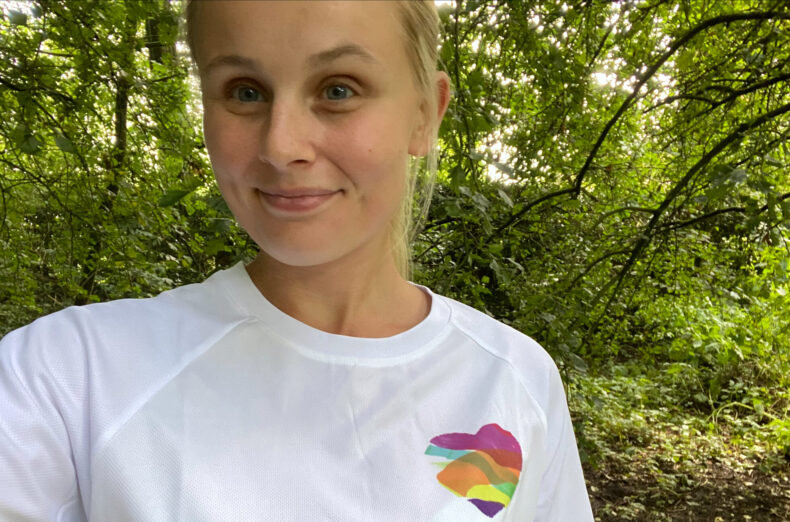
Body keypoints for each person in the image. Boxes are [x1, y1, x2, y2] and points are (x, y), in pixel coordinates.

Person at [0, 1, 593, 520]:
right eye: (245, 92)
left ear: (425, 114)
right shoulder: (66, 379)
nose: (281, 146)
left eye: (338, 89)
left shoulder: (512, 379)